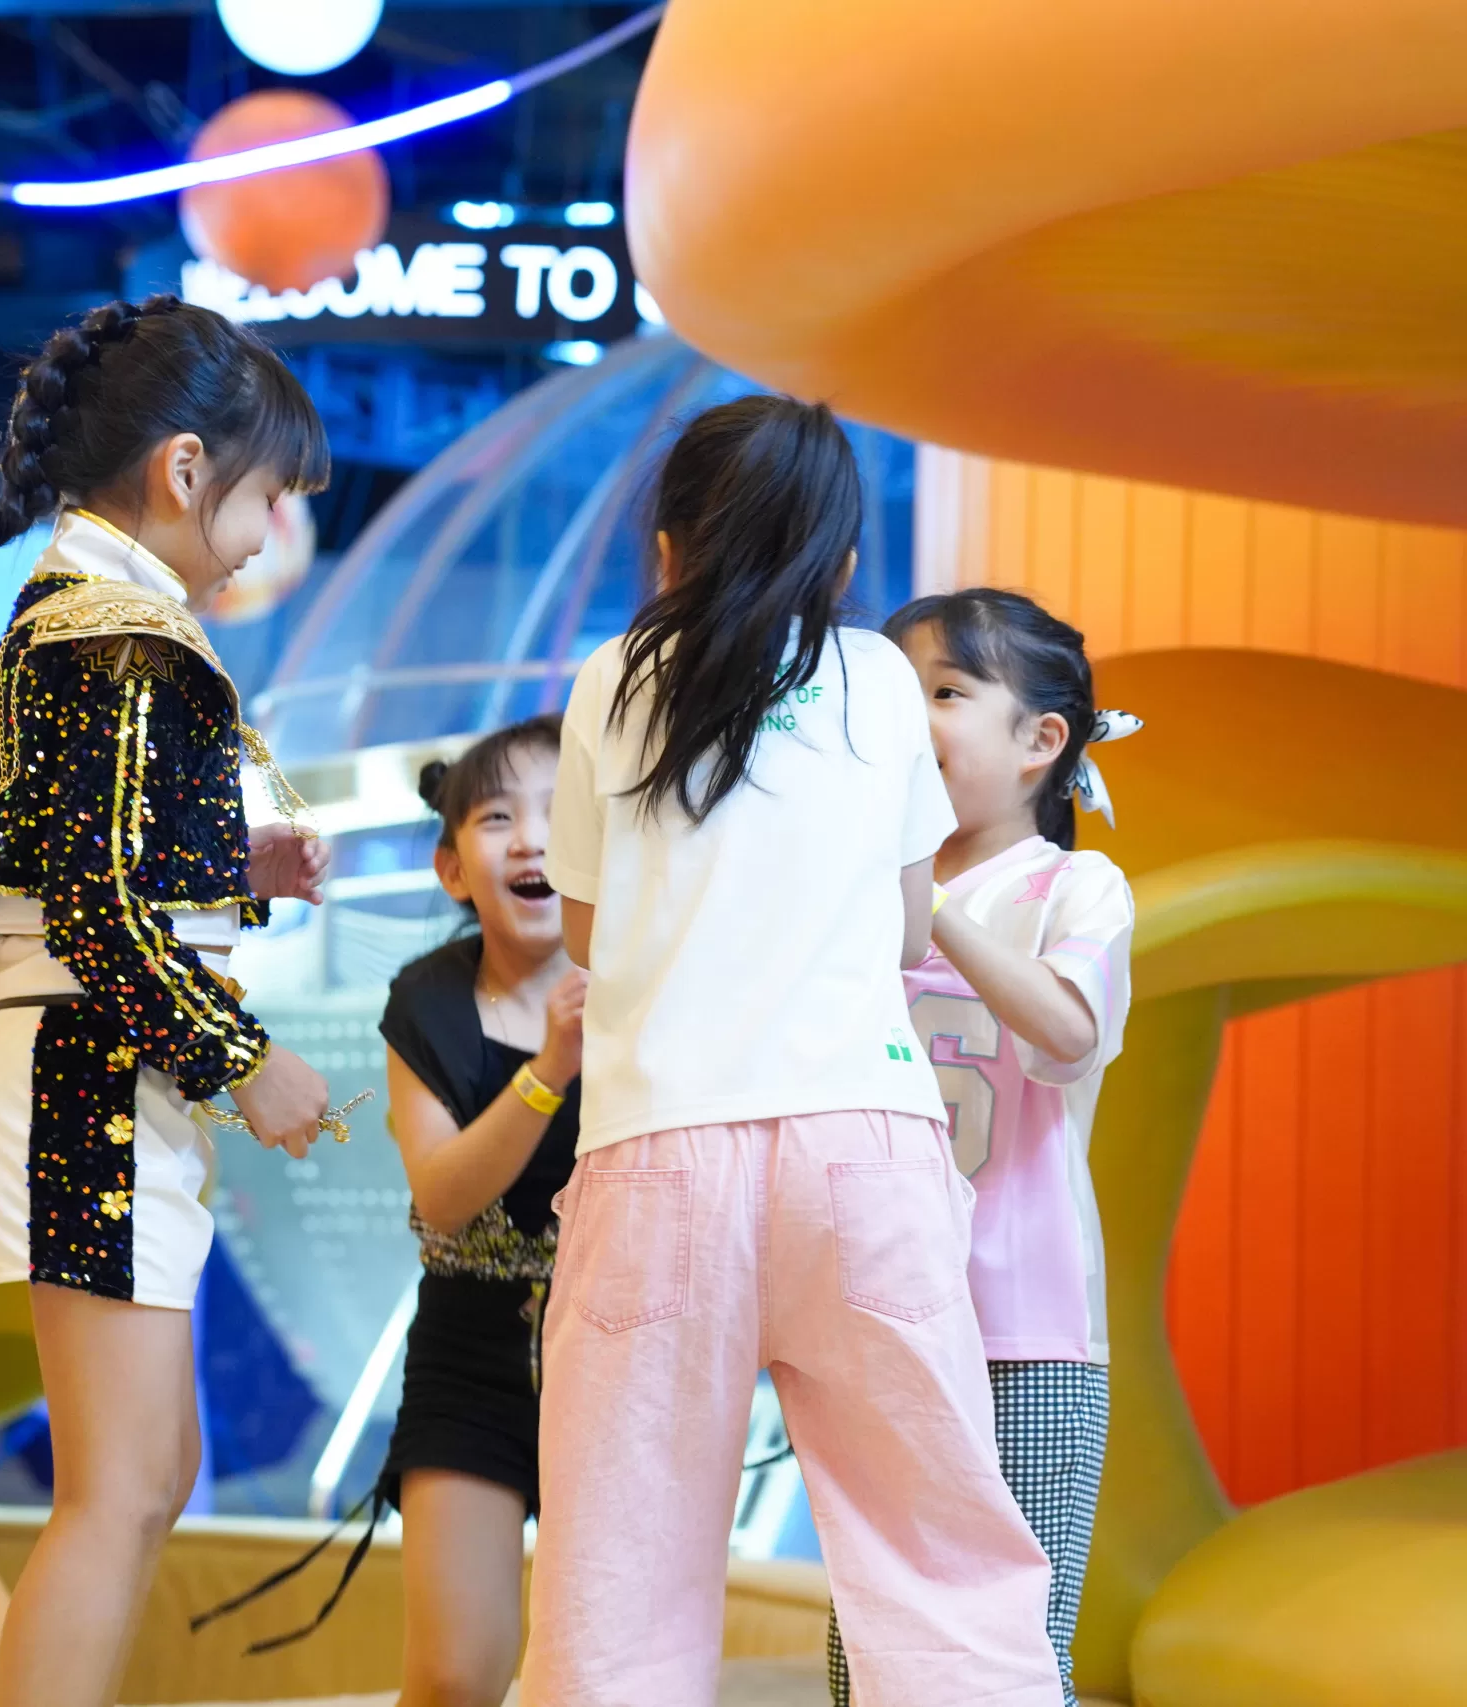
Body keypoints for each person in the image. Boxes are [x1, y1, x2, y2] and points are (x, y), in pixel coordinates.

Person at [523, 395, 1061, 1707]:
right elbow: (900, 922)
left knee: (622, 1575)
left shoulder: (612, 677)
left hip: (659, 1156)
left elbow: (589, 925)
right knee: (939, 1554)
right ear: (842, 561)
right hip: (862, 1147)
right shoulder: (879, 674)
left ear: (667, 547)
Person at [0, 296, 337, 1707]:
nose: (260, 536)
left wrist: (235, 860)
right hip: (89, 1085)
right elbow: (99, 909)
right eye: (264, 498)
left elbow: (66, 871)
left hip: (87, 1071)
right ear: (186, 470)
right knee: (121, 1491)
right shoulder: (119, 636)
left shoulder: (81, 617)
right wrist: (250, 1060)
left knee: (144, 1478)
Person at [825, 588, 1141, 1707]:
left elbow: (1069, 1033)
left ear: (1040, 742)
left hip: (1030, 1329)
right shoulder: (851, 899)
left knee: (1013, 1643)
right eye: (897, 692)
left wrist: (931, 904)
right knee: (867, 1642)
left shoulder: (1076, 886)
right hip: (883, 1315)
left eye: (946, 692)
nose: (914, 719)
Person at [377, 717, 587, 1707]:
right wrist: (550, 1069)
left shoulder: (656, 987)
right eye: (499, 817)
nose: (532, 840)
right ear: (453, 868)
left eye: (559, 812)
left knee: (606, 1672)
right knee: (456, 1675)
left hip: (623, 1355)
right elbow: (443, 1199)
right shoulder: (426, 999)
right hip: (469, 1357)